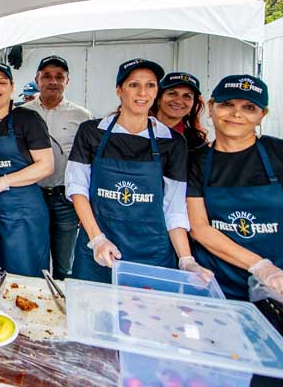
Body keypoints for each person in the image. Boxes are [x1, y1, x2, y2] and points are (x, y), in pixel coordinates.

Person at [187, 75, 283, 305]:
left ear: (262, 115)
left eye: (249, 107)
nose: (236, 113)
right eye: (227, 104)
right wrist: (261, 266)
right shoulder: (196, 161)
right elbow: (199, 227)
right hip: (220, 289)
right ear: (211, 108)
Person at [65, 59, 211, 284]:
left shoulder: (172, 142)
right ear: (119, 90)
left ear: (156, 92)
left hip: (152, 251)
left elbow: (174, 207)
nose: (143, 92)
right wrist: (97, 240)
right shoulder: (92, 132)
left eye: (150, 85)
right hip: (99, 246)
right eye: (134, 85)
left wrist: (185, 258)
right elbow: (77, 189)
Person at [0, 62, 53, 277]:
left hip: (24, 215)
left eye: (2, 82)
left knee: (24, 279)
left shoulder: (27, 119)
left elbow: (46, 165)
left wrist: (2, 181)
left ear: (12, 87)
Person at [23, 56, 92, 280]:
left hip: (66, 200)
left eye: (59, 77)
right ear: (37, 79)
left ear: (67, 81)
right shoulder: (22, 114)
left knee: (64, 266)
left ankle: (63, 310)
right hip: (32, 197)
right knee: (33, 260)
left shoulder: (82, 117)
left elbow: (89, 162)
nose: (53, 81)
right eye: (47, 76)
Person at [152, 71, 209, 154]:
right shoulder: (135, 130)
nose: (178, 101)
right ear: (158, 99)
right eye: (172, 93)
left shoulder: (197, 145)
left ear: (193, 104)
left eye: (187, 96)